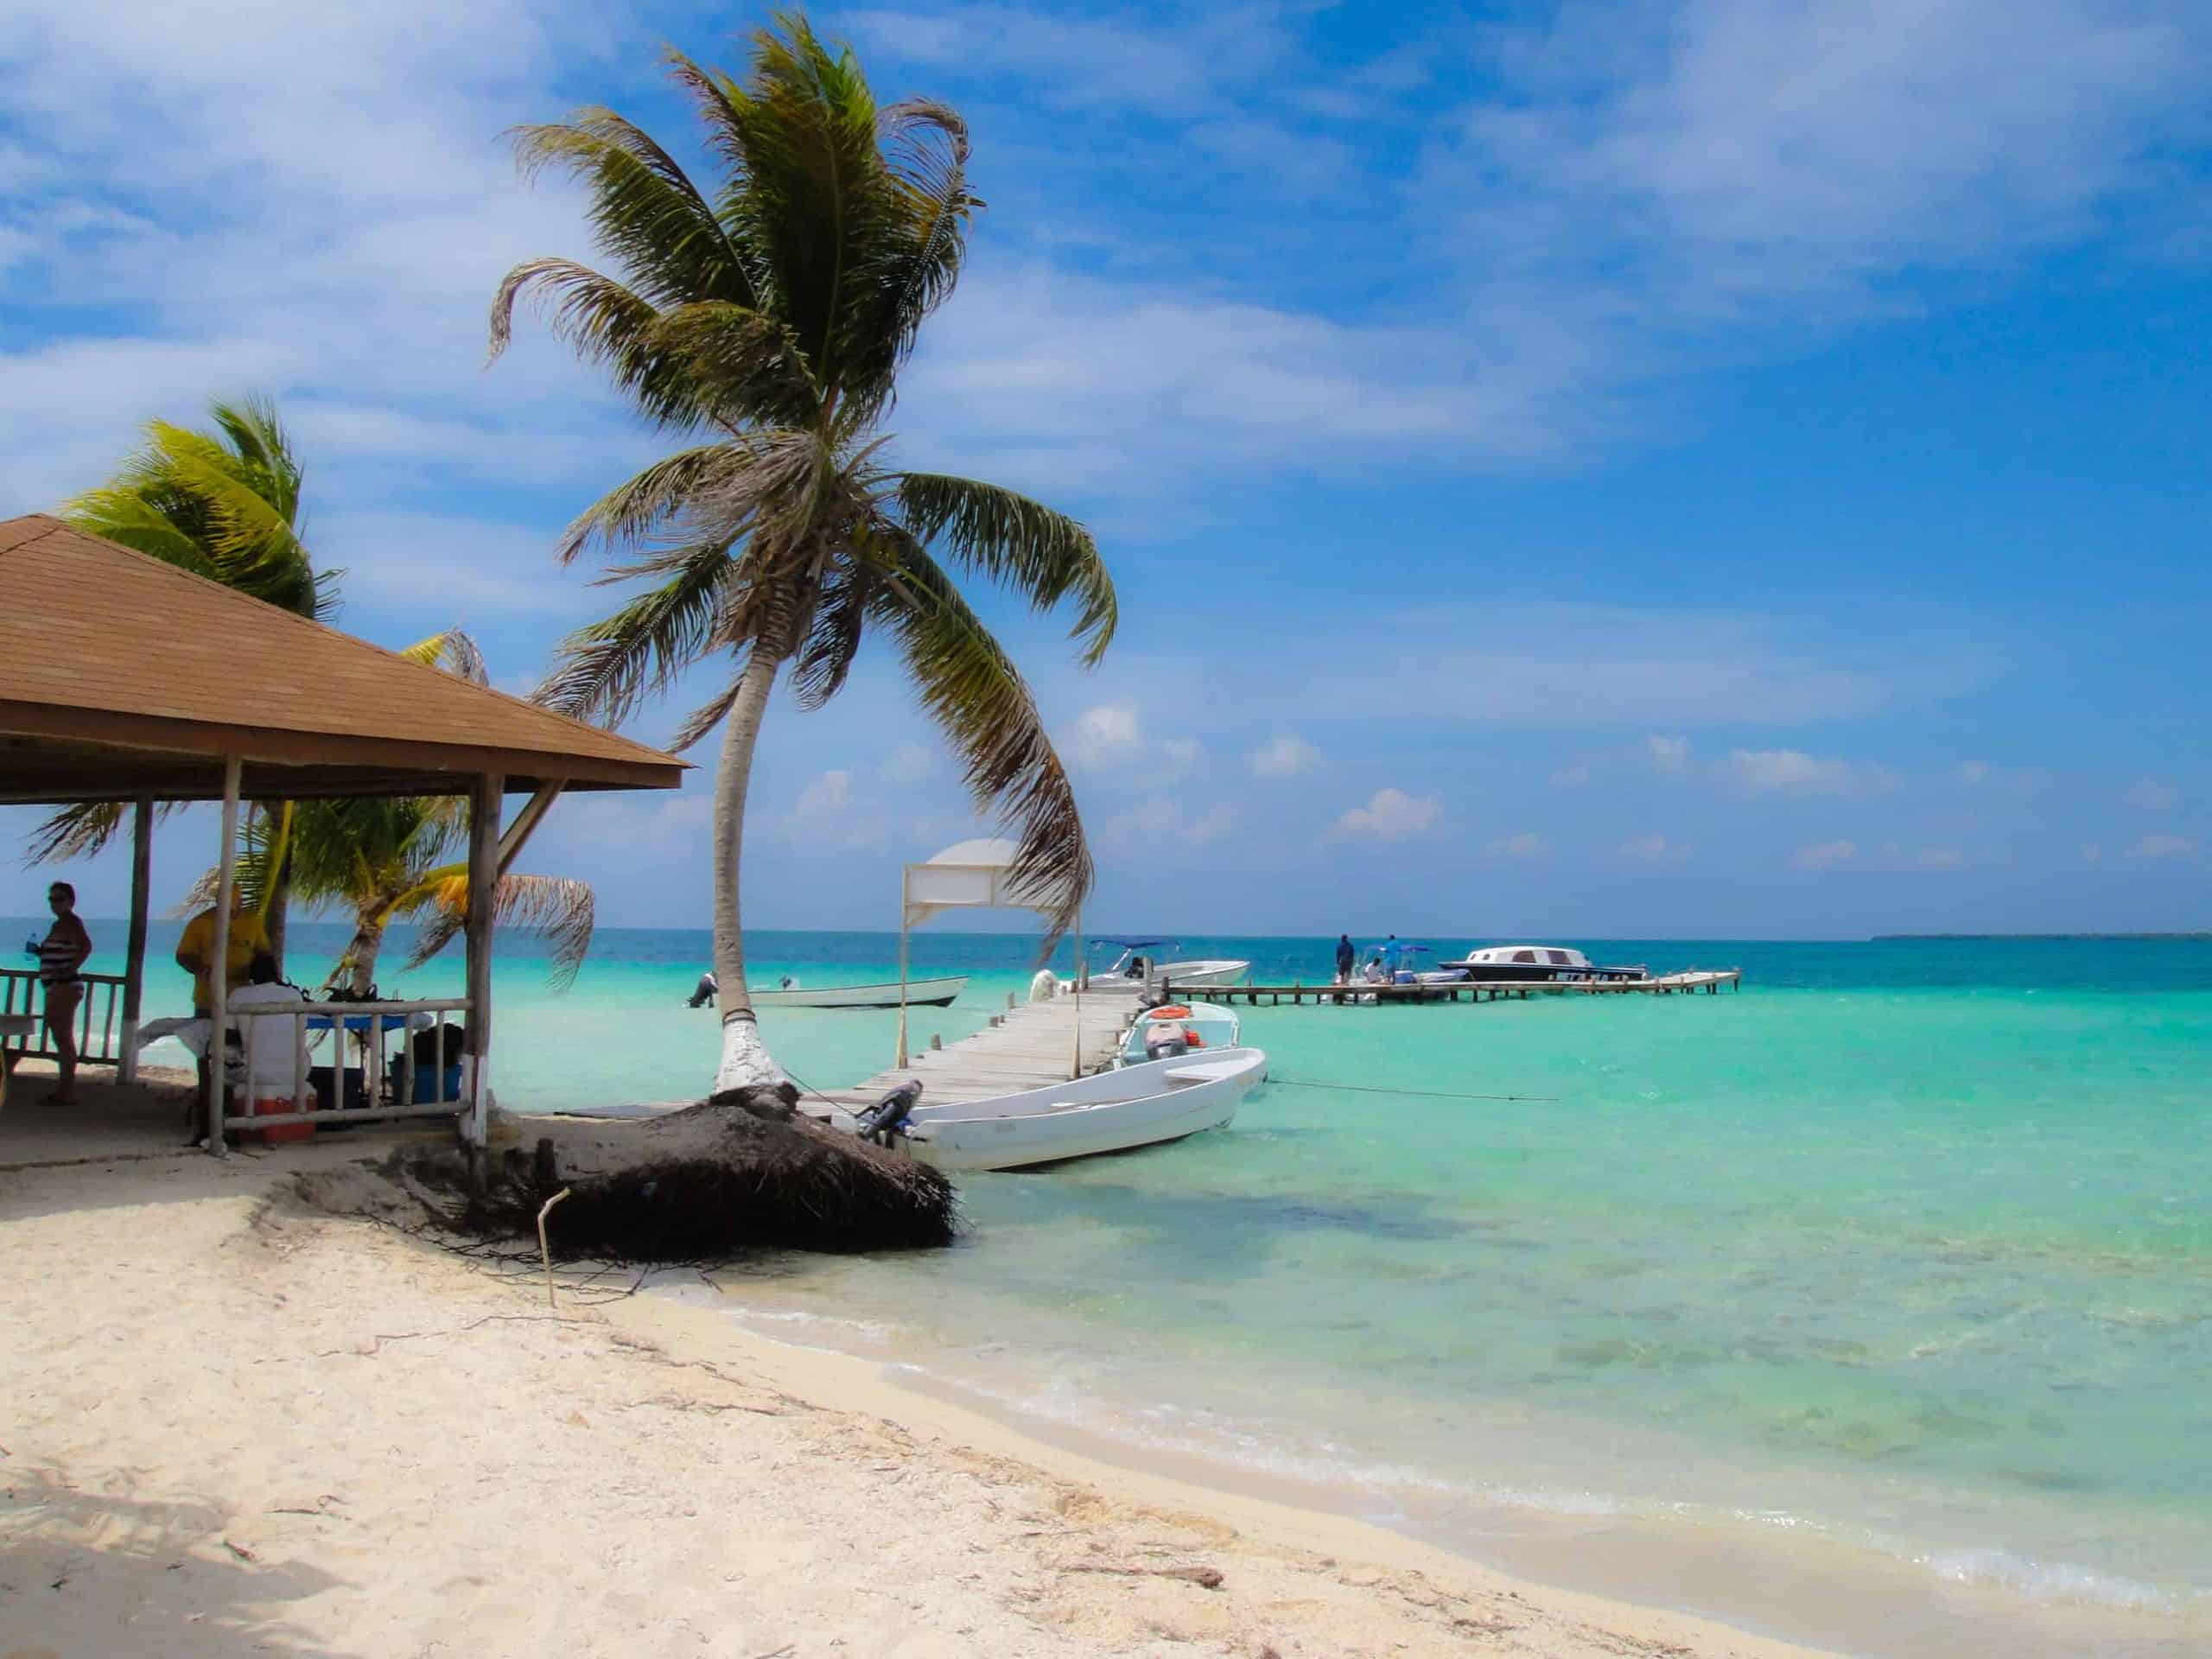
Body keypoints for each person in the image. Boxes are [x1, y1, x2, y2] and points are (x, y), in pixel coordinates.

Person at [176, 890, 272, 1134]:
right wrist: (200, 968)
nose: (230, 909)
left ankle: (230, 1112)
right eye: (224, 903)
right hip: (209, 1000)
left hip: (243, 1002)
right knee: (206, 1057)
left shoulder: (253, 922)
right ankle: (207, 1114)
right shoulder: (201, 923)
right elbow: (183, 955)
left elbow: (264, 954)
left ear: (241, 901)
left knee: (235, 1058)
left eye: (234, 903)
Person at [228, 953, 311, 1141]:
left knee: (219, 1060)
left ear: (250, 975)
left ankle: (224, 1119)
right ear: (276, 974)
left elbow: (229, 1036)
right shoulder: (294, 995)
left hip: (254, 1074)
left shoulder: (239, 995)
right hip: (297, 1072)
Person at [25, 881, 92, 1105]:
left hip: (65, 985)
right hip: (56, 984)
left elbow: (86, 946)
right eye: (51, 899)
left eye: (59, 899)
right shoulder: (58, 925)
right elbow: (60, 950)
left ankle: (66, 1092)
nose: (55, 903)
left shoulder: (72, 922)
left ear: (71, 901)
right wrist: (40, 952)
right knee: (59, 1036)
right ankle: (64, 1090)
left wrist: (70, 969)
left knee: (63, 1038)